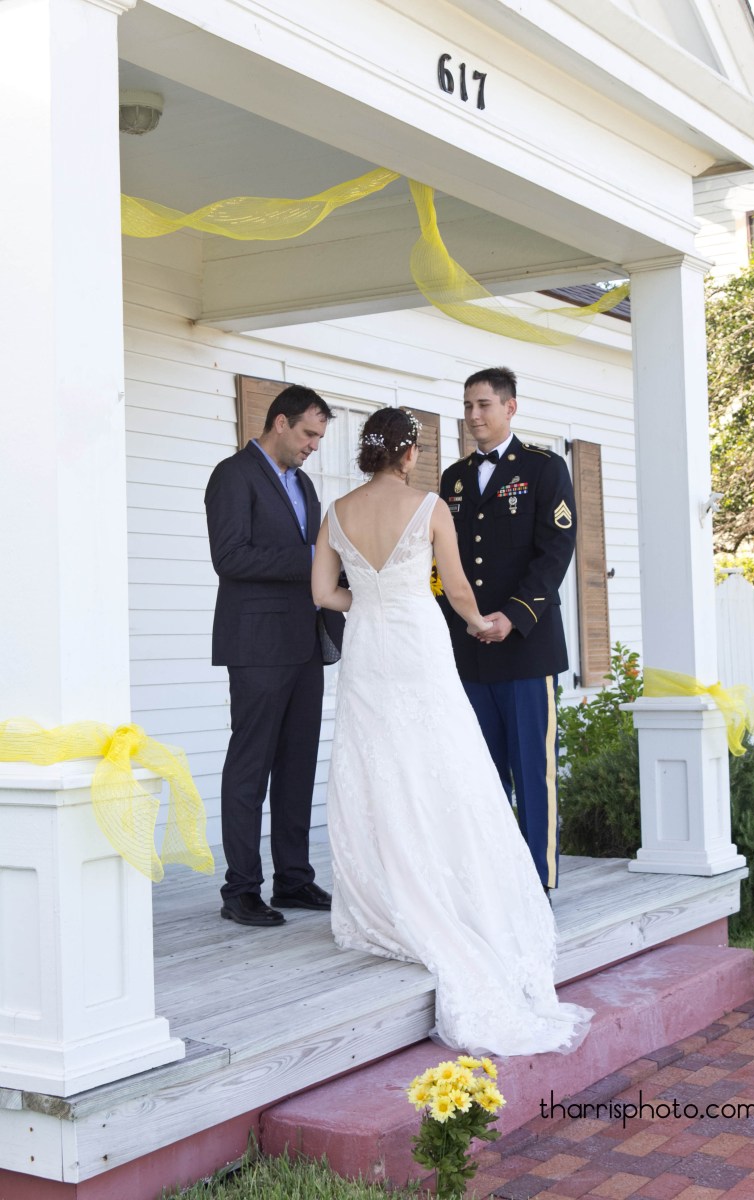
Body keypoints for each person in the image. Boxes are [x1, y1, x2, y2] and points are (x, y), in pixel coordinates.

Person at [311, 407, 590, 1056]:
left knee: (375, 766)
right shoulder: (430, 505)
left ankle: (385, 892)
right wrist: (484, 622)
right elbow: (459, 589)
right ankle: (450, 885)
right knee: (443, 762)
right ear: (407, 453)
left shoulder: (336, 511)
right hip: (418, 646)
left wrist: (371, 604)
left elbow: (325, 594)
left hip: (367, 651)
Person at [205, 385, 344, 928]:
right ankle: (240, 889)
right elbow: (230, 555)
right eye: (309, 433)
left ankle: (293, 879)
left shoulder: (304, 484)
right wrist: (314, 557)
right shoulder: (232, 476)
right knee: (250, 765)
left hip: (307, 642)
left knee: (297, 766)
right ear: (280, 423)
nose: (314, 445)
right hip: (257, 646)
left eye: (319, 436)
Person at [439, 367, 576, 895]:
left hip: (525, 648)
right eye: (468, 405)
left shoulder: (544, 469)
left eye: (484, 405)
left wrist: (513, 616)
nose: (474, 415)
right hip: (470, 650)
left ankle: (538, 881)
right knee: (481, 772)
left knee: (532, 771)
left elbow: (553, 553)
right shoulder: (452, 478)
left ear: (510, 407)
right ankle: (495, 878)